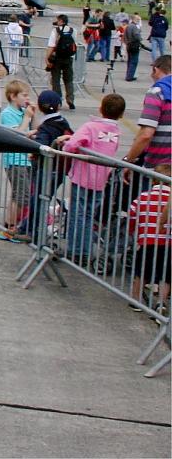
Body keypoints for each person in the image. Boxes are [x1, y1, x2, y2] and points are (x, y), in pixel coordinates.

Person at [60, 94, 126, 262]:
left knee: (77, 213)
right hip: (100, 180)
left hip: (83, 176)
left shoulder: (91, 127)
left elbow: (71, 145)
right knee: (90, 215)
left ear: (101, 109)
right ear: (121, 114)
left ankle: (75, 249)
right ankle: (86, 250)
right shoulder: (116, 131)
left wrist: (65, 146)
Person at [23, 90, 73, 240]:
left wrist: (33, 150)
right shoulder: (62, 122)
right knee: (42, 198)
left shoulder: (47, 127)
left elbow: (41, 145)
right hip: (59, 169)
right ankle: (29, 227)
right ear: (58, 106)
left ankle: (31, 229)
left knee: (38, 199)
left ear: (39, 106)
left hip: (47, 169)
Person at [0, 79, 36, 242]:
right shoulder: (8, 114)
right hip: (15, 159)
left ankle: (11, 224)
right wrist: (27, 118)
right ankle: (11, 226)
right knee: (22, 196)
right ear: (13, 97)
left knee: (18, 195)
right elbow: (18, 134)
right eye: (24, 95)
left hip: (25, 159)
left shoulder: (22, 112)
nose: (27, 98)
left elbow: (34, 128)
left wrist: (33, 114)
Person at [122, 55, 171, 176]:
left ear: (155, 69)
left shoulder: (157, 92)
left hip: (158, 167)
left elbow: (146, 134)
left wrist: (129, 161)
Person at [127, 180, 170, 318]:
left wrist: (132, 233)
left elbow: (132, 215)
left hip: (147, 240)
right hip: (168, 243)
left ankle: (136, 299)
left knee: (142, 272)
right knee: (166, 276)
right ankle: (161, 303)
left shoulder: (143, 196)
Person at [44, 13, 77, 110]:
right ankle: (70, 99)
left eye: (57, 20)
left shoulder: (55, 31)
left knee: (56, 80)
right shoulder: (73, 30)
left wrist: (47, 58)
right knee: (69, 79)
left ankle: (58, 100)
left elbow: (51, 46)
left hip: (57, 58)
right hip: (68, 58)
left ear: (61, 21)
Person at [124, 13, 145, 82]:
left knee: (130, 61)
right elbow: (137, 36)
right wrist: (140, 38)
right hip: (134, 45)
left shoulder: (128, 26)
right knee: (134, 61)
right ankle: (130, 76)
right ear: (133, 19)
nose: (138, 20)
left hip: (129, 44)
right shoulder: (134, 27)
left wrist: (127, 42)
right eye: (137, 19)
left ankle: (128, 75)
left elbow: (125, 36)